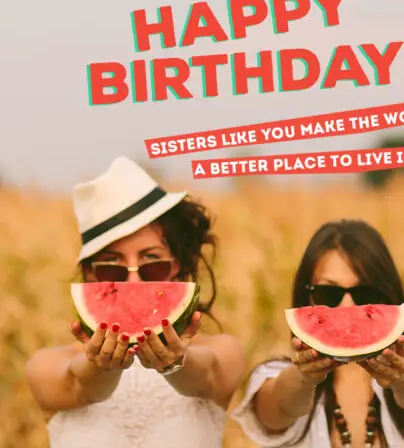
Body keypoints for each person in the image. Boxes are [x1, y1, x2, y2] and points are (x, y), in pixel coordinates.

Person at [25, 156, 246, 448]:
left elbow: (205, 375)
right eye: (111, 266)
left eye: (152, 261)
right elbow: (80, 383)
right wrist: (101, 367)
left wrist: (177, 362)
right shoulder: (45, 365)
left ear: (176, 265)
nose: (133, 283)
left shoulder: (224, 352)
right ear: (91, 273)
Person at [232, 220, 404, 448]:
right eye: (328, 293)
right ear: (307, 297)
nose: (346, 307)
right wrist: (304, 378)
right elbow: (278, 409)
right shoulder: (271, 375)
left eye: (365, 294)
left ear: (388, 296)